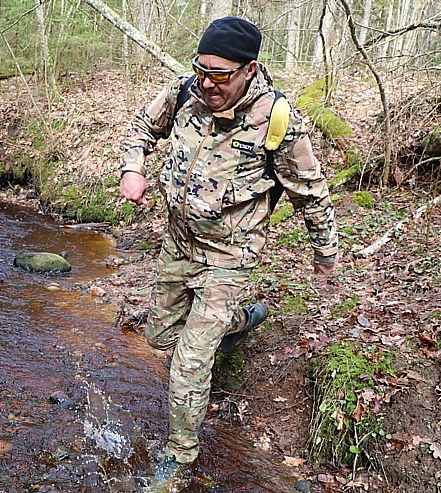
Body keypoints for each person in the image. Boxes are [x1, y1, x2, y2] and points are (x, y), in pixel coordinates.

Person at [119, 17, 338, 491]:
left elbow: (311, 192)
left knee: (188, 364)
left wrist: (324, 251)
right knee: (159, 338)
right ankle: (240, 322)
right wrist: (132, 167)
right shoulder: (184, 94)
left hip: (230, 254)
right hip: (178, 244)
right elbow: (141, 127)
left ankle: (179, 456)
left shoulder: (277, 120)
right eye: (202, 69)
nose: (207, 82)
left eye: (219, 74)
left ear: (248, 69)